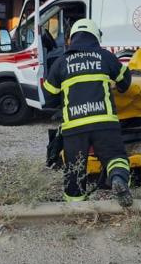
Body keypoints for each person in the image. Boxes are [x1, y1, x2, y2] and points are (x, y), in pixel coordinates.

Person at [42, 19, 134, 207]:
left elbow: (48, 99)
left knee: (74, 171)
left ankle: (76, 208)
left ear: (72, 39)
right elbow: (126, 81)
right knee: (115, 157)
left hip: (74, 127)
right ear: (95, 37)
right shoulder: (105, 56)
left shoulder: (61, 63)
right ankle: (118, 178)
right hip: (105, 123)